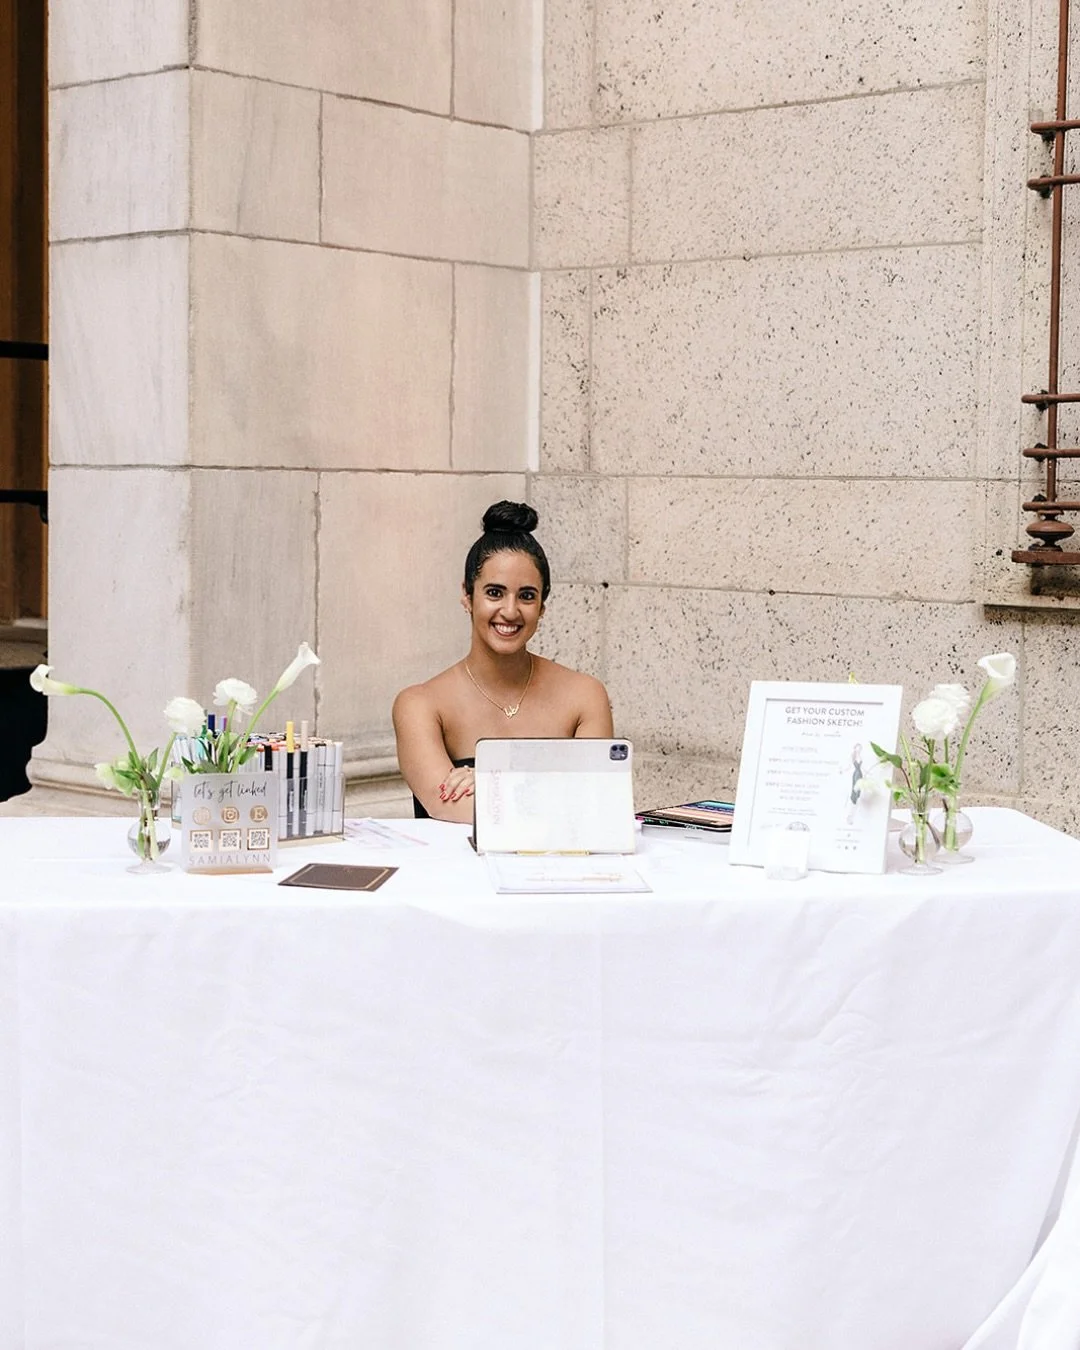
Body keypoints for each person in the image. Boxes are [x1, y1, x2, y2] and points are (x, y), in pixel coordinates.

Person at [392, 501, 614, 822]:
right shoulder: (419, 705)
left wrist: (489, 783)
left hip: (557, 870)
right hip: (454, 871)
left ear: (542, 607)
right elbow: (445, 805)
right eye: (495, 593)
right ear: (467, 596)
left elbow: (591, 805)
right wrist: (554, 789)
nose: (510, 611)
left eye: (526, 596)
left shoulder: (585, 696)